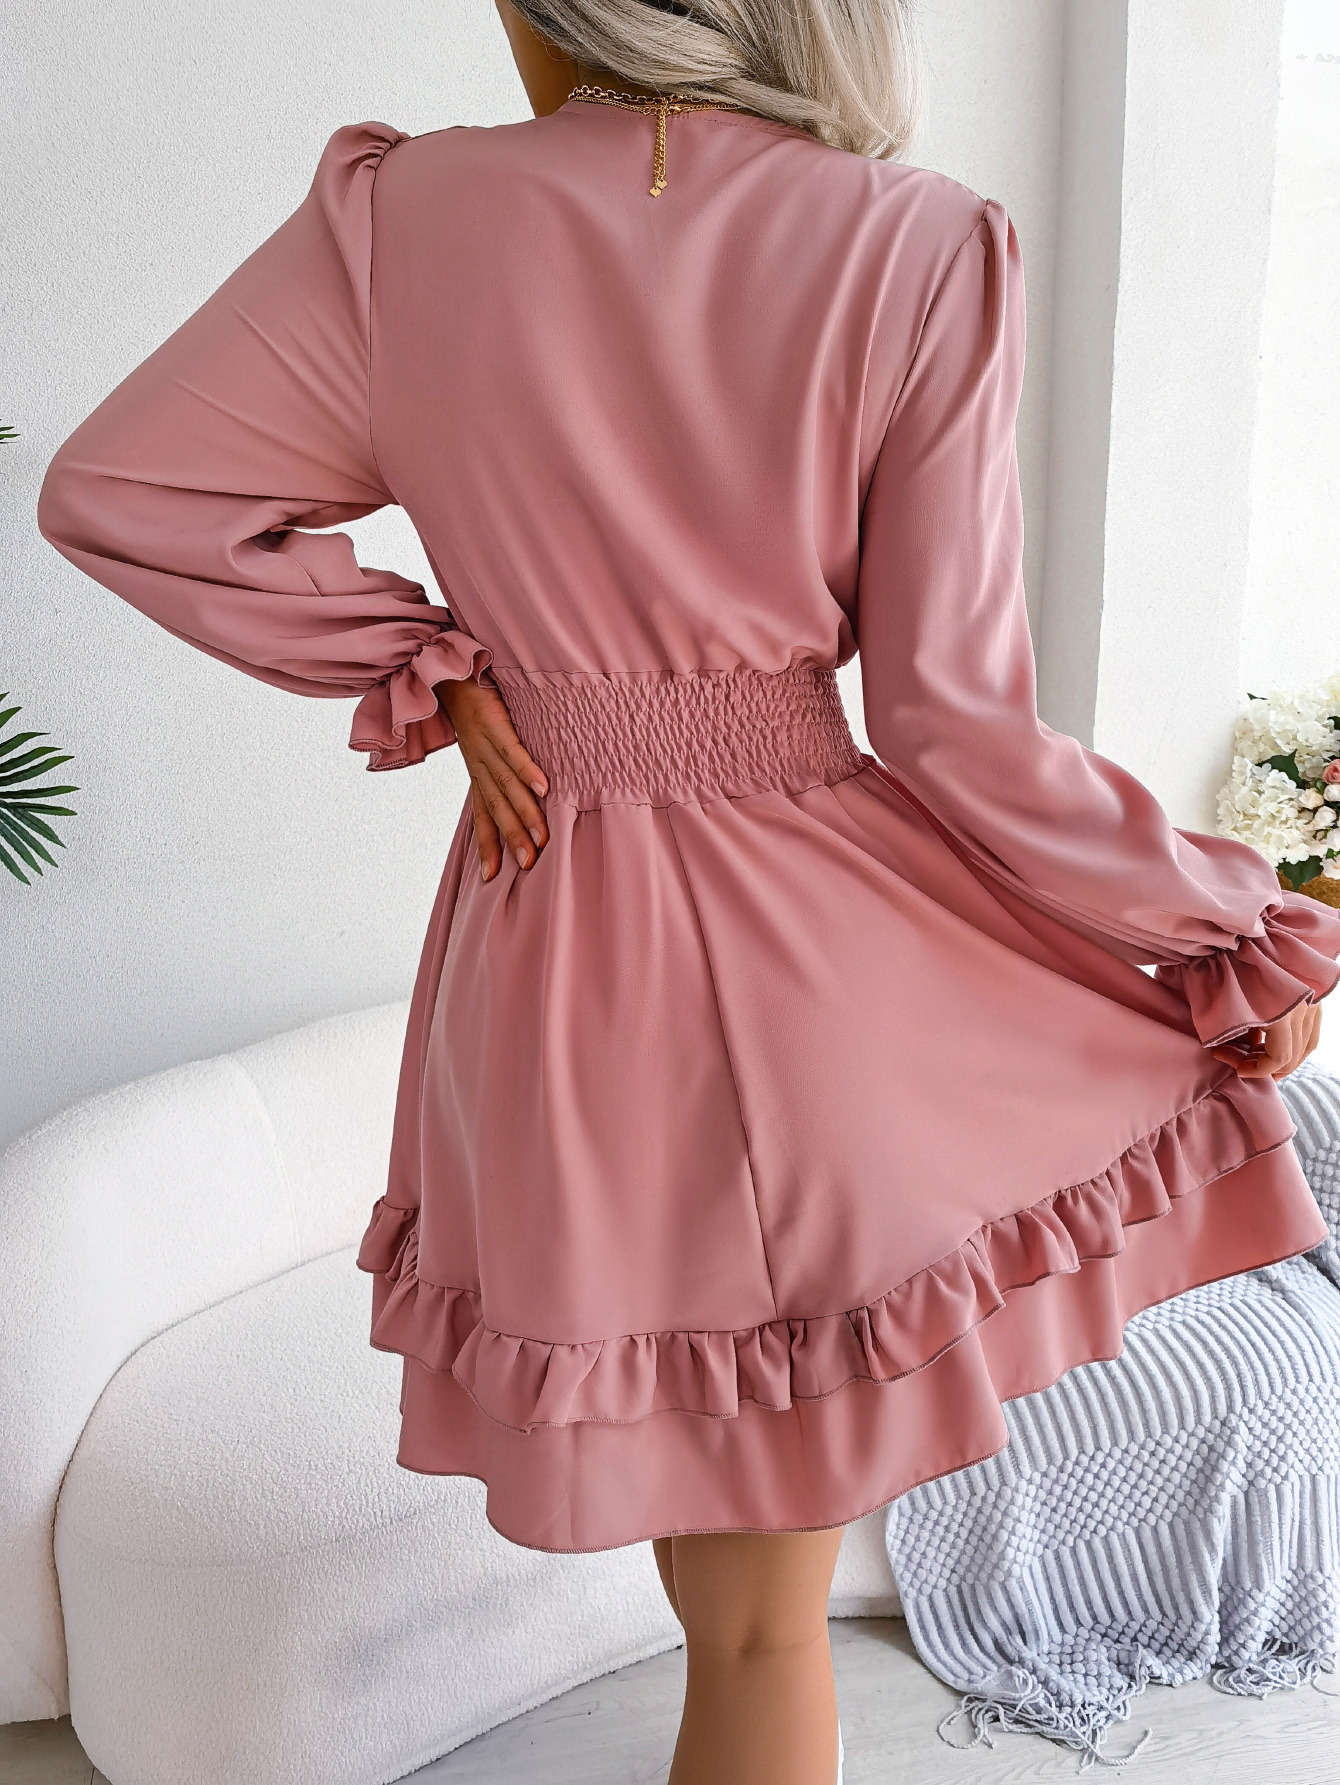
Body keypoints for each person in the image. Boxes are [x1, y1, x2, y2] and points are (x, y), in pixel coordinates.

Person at [36, 1, 1340, 1780]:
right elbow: (958, 730)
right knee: (759, 1617)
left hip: (555, 943)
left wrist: (425, 656)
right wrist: (1223, 924)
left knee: (733, 1610)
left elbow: (124, 489)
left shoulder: (398, 222)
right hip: (827, 957)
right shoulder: (910, 242)